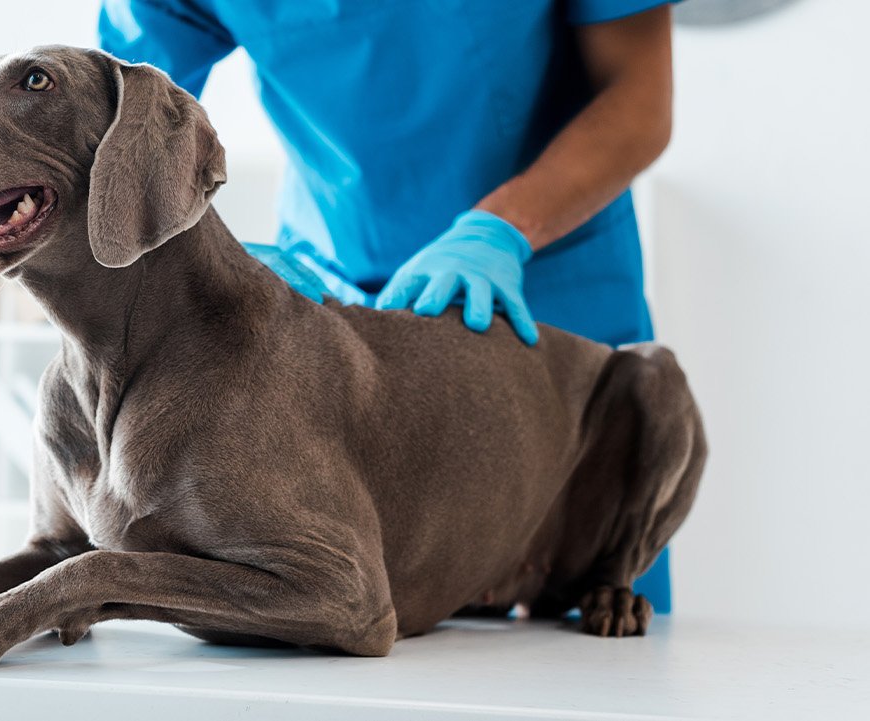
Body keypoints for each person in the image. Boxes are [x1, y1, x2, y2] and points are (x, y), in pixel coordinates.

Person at [99, 0, 680, 611]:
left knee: (597, 645)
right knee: (344, 626)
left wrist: (502, 228)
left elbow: (638, 96)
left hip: (543, 292)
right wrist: (218, 256)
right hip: (328, 299)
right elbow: (114, 126)